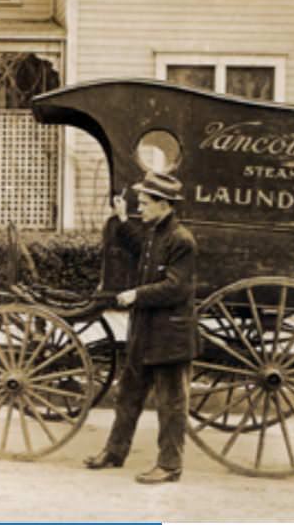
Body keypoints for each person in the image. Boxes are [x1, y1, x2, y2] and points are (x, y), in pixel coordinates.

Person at [83, 171, 198, 484]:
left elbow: (177, 288)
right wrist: (121, 219)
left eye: (146, 203)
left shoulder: (181, 240)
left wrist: (136, 294)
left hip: (169, 335)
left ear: (164, 204)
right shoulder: (154, 232)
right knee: (128, 394)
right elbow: (138, 247)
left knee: (171, 405)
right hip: (145, 331)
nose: (141, 208)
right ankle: (114, 452)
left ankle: (170, 466)